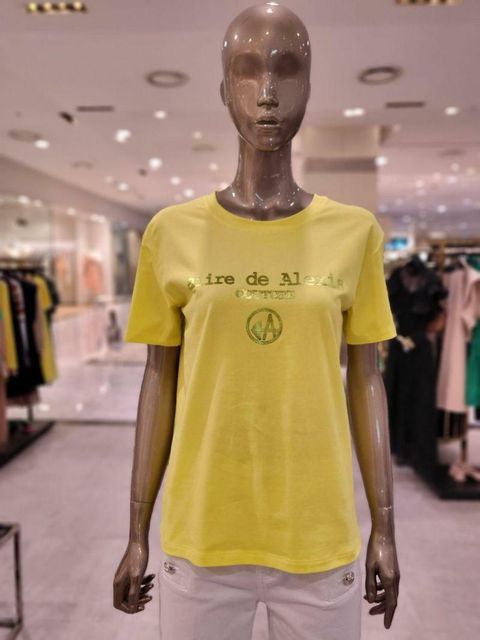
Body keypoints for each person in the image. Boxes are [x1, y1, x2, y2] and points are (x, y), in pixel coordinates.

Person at [113, 4, 400, 639]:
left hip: (317, 535)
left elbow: (366, 379)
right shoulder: (170, 232)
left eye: (287, 71)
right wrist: (136, 530)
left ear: (309, 88)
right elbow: (158, 380)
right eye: (246, 71)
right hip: (202, 535)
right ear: (223, 90)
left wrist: (384, 524)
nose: (267, 93)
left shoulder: (354, 233)